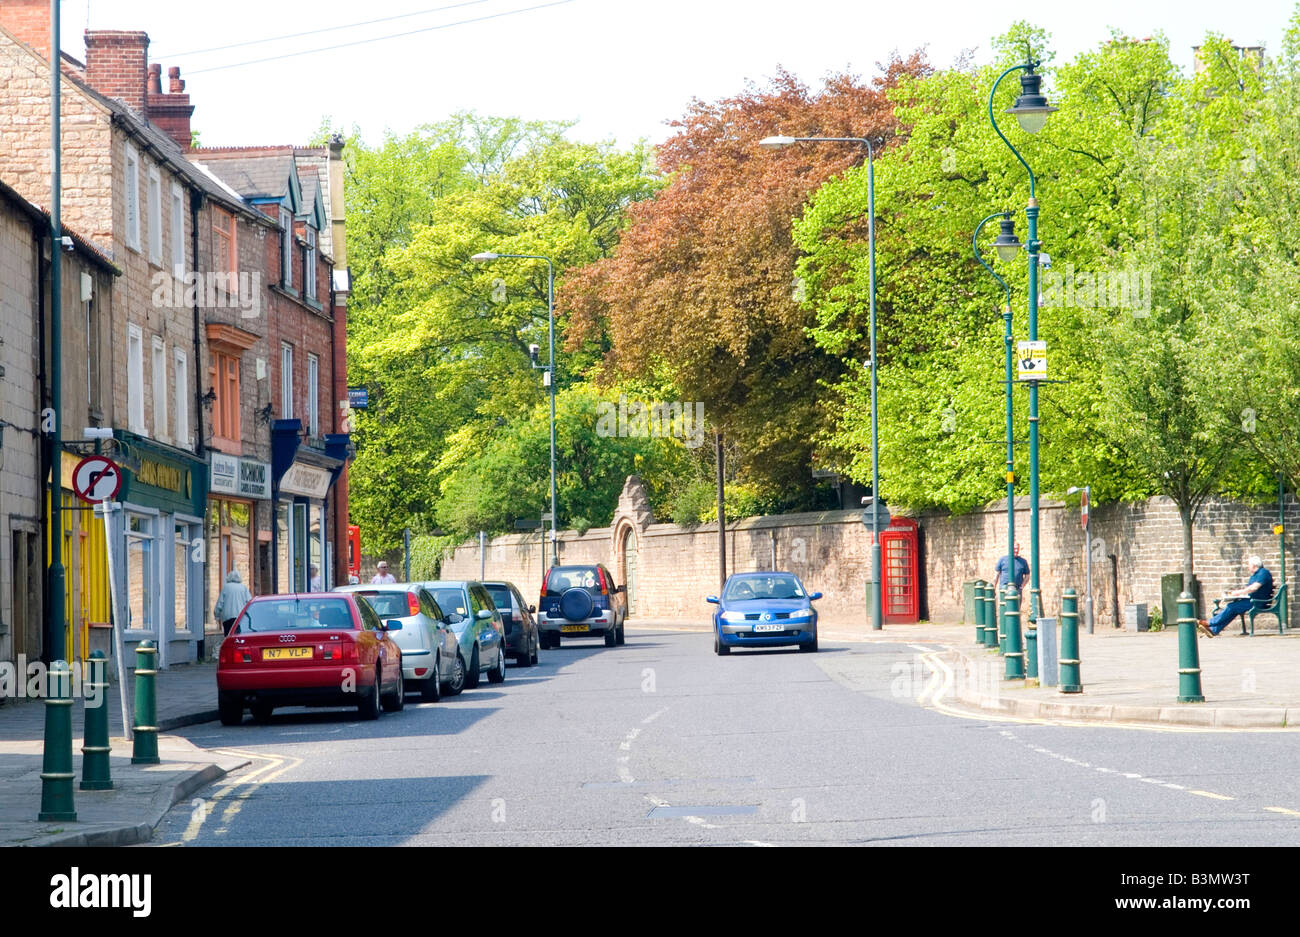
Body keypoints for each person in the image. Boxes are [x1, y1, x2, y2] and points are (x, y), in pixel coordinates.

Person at [1201, 555, 1273, 637]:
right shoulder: (1255, 575)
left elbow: (1254, 587)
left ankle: (1210, 623)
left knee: (1231, 607)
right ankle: (1214, 630)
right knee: (1233, 608)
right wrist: (1238, 594)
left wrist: (1239, 592)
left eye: (1249, 565)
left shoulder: (1263, 573)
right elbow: (1249, 589)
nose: (1248, 567)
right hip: (1251, 600)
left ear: (1254, 565)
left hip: (1258, 602)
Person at [213, 569, 252, 637]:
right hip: (240, 617)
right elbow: (249, 603)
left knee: (228, 636)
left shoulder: (226, 588)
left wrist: (217, 616)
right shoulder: (244, 588)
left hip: (228, 617)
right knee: (239, 636)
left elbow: (220, 604)